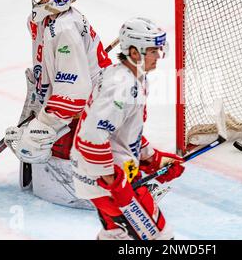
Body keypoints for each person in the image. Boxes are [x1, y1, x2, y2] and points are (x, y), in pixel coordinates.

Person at [4, 0, 111, 209]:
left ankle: (89, 195)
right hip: (85, 97)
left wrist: (43, 125)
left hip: (94, 105)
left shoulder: (65, 30)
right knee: (39, 142)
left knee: (48, 145)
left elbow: (75, 93)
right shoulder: (46, 20)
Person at [70, 17, 185, 240]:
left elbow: (123, 133)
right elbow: (91, 137)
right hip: (105, 182)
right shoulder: (121, 85)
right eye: (153, 49)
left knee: (115, 235)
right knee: (159, 237)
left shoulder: (132, 78)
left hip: (103, 177)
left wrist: (153, 159)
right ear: (134, 52)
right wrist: (114, 182)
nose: (159, 55)